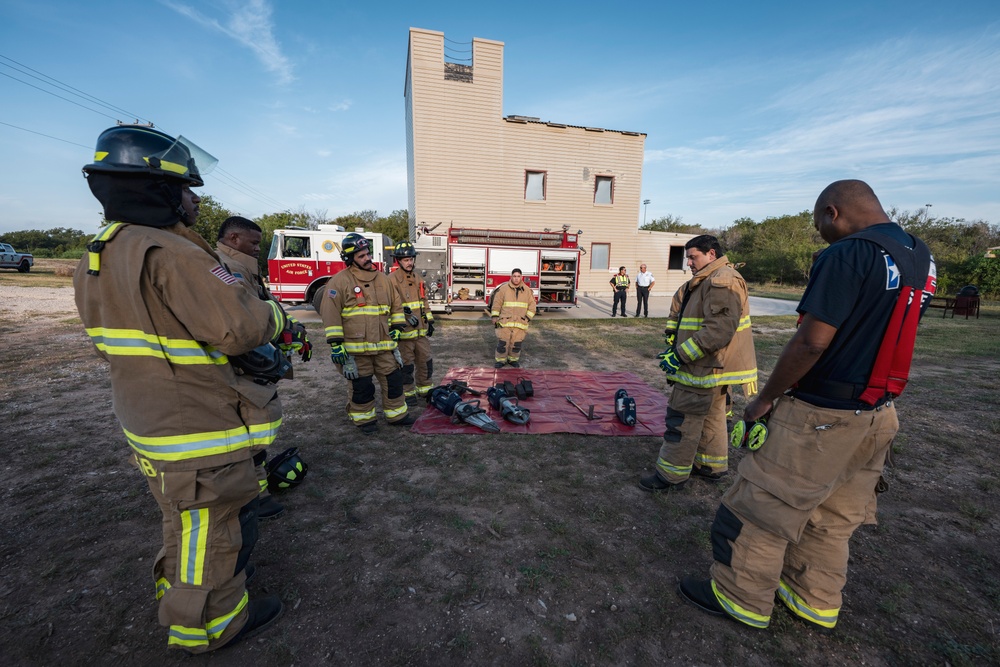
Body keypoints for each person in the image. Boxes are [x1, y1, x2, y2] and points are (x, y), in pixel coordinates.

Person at [75, 125, 304, 653]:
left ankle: (177, 594)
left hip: (149, 419)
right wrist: (274, 312)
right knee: (217, 523)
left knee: (183, 518)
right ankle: (210, 624)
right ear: (156, 189)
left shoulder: (101, 253)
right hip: (198, 421)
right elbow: (241, 327)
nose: (194, 199)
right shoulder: (174, 252)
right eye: (185, 188)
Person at [678, 180, 936, 633]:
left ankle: (740, 596)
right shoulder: (920, 256)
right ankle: (812, 599)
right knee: (832, 518)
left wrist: (766, 398)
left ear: (832, 212)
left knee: (760, 508)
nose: (819, 232)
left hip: (820, 414)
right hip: (878, 413)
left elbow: (813, 341)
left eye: (819, 222)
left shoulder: (847, 254)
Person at [640, 235, 757, 492]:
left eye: (693, 257)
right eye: (688, 258)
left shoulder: (722, 280)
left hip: (701, 367)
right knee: (712, 417)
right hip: (711, 367)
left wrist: (680, 355)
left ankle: (670, 476)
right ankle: (710, 466)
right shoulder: (709, 279)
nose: (689, 263)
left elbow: (718, 330)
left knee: (683, 419)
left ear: (711, 254)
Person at [217, 215, 312, 520]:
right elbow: (245, 320)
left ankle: (257, 493)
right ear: (233, 239)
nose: (258, 248)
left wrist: (292, 329)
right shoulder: (226, 268)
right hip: (238, 370)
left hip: (252, 366)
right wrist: (282, 330)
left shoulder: (243, 266)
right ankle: (252, 497)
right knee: (246, 437)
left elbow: (269, 306)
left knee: (252, 436)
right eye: (254, 242)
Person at [320, 233, 414, 433]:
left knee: (394, 381)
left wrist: (397, 329)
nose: (367, 258)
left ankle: (397, 415)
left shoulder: (383, 279)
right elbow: (331, 314)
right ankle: (365, 421)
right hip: (356, 350)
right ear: (349, 258)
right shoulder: (339, 282)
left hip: (384, 347)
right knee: (362, 387)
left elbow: (396, 306)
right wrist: (336, 345)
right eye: (361, 256)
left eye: (368, 254)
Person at [388, 240, 436, 404]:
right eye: (406, 260)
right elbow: (389, 306)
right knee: (406, 366)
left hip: (420, 332)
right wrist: (404, 315)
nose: (410, 263)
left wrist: (430, 320)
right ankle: (408, 394)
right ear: (398, 261)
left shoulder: (418, 278)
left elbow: (424, 302)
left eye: (411, 259)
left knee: (425, 362)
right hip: (404, 333)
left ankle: (425, 389)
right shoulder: (391, 280)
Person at [490, 268, 536, 368]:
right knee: (503, 343)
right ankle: (501, 361)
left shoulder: (527, 291)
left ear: (521, 277)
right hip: (505, 322)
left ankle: (513, 360)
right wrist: (494, 316)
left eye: (518, 276)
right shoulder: (503, 289)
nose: (516, 279)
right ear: (511, 277)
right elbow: (497, 303)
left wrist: (527, 318)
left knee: (516, 343)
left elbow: (532, 306)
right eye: (514, 276)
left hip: (520, 323)